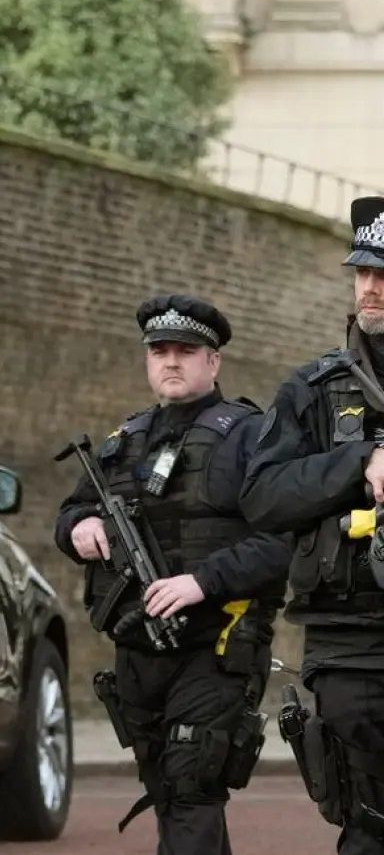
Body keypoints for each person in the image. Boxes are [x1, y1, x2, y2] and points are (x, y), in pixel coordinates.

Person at [55, 293, 293, 855]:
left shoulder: (249, 437)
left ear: (213, 362)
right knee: (166, 787)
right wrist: (80, 530)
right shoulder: (123, 440)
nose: (171, 361)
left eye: (186, 350)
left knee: (192, 785)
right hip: (138, 647)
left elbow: (285, 542)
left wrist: (202, 581)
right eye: (159, 350)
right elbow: (69, 513)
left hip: (217, 644)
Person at [239, 196, 384, 854]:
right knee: (367, 828)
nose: (371, 287)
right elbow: (263, 495)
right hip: (348, 638)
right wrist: (360, 463)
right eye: (362, 272)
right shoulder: (316, 389)